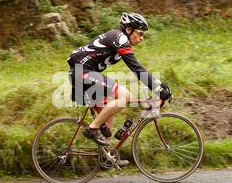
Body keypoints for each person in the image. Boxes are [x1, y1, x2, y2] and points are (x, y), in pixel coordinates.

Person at [67, 13, 172, 158]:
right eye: (140, 34)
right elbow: (136, 68)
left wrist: (160, 84)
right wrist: (157, 89)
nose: (142, 38)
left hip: (84, 73)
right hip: (82, 73)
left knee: (107, 114)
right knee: (125, 95)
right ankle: (92, 129)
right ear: (128, 29)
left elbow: (138, 68)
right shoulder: (120, 39)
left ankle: (106, 158)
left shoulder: (119, 38)